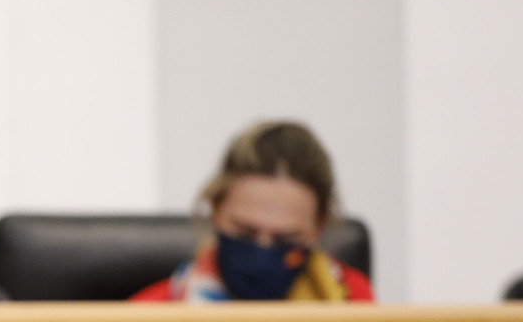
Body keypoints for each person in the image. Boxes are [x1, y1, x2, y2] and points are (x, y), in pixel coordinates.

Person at [133, 121, 373, 303]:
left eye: (285, 239)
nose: (262, 250)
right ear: (215, 209)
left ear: (319, 225)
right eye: (244, 233)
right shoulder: (150, 315)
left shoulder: (353, 303)